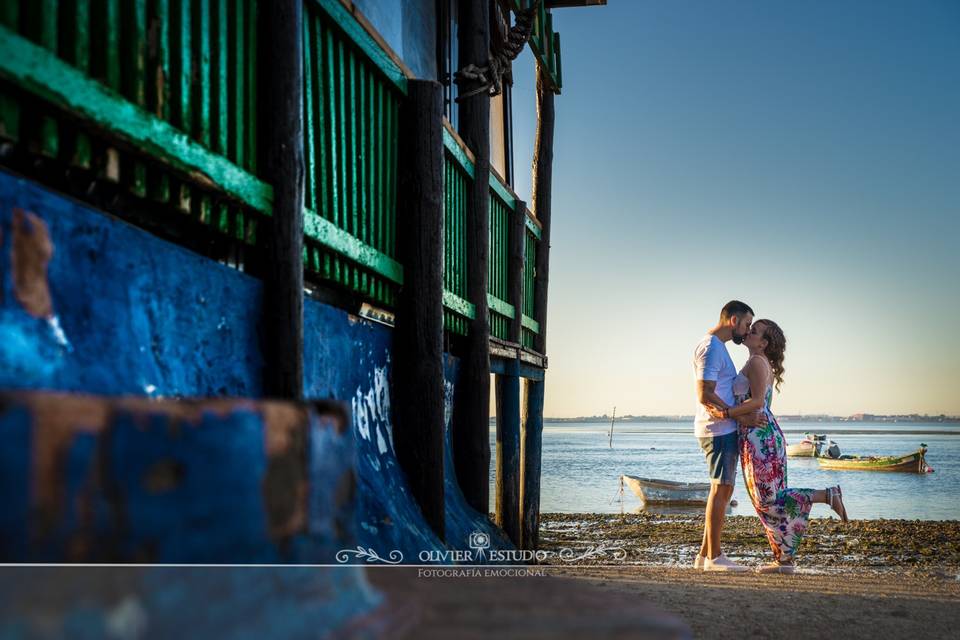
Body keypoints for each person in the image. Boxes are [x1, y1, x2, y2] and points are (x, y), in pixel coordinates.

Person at [726, 319, 849, 573]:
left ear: (764, 343)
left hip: (760, 438)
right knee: (770, 500)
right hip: (758, 436)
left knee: (767, 501)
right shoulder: (757, 362)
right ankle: (784, 561)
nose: (749, 332)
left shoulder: (758, 362)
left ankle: (827, 495)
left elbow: (758, 401)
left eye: (755, 330)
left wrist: (727, 412)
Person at [692, 300, 764, 572]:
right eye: (746, 324)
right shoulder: (711, 347)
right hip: (717, 430)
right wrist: (737, 415)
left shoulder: (716, 348)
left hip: (719, 427)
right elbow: (705, 393)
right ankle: (715, 557)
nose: (746, 331)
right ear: (733, 320)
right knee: (722, 491)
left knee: (719, 490)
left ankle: (703, 556)